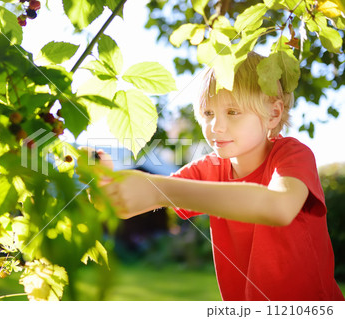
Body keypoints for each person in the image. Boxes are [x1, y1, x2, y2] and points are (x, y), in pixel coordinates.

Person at [88, 52, 345, 301]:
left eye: (232, 112)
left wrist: (158, 189)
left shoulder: (291, 155)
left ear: (274, 113)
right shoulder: (207, 169)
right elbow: (136, 201)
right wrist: (107, 187)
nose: (216, 127)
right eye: (209, 114)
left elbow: (279, 207)